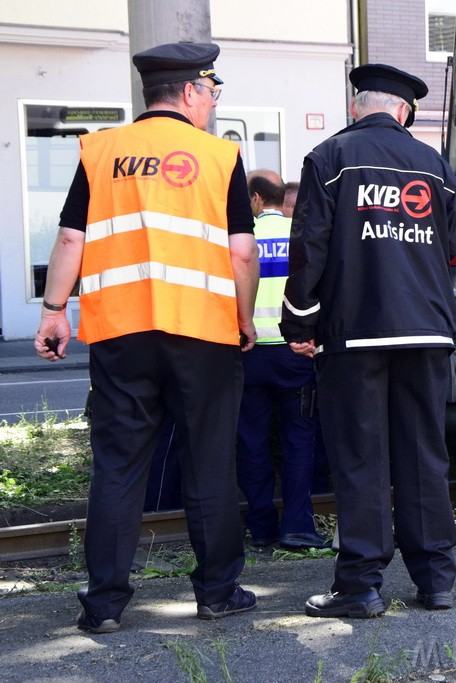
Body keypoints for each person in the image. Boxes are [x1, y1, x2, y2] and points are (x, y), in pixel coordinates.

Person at [34, 42, 259, 633]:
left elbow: (68, 242)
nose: (212, 105)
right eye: (212, 93)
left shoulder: (99, 150)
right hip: (204, 333)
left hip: (121, 334)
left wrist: (54, 311)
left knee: (118, 465)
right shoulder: (220, 158)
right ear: (190, 92)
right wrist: (245, 317)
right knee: (209, 461)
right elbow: (241, 254)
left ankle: (103, 604)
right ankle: (217, 592)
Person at [280, 63, 456, 618]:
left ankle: (361, 586)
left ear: (358, 105)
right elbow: (455, 240)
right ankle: (436, 580)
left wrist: (300, 324)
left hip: (356, 333)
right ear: (404, 111)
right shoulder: (433, 165)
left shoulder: (330, 158)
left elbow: (309, 246)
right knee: (423, 453)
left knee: (361, 457)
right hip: (429, 328)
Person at [236, 169, 328, 550]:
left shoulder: (243, 239)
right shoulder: (300, 239)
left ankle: (260, 529)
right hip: (296, 354)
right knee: (299, 440)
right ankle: (297, 526)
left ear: (256, 199)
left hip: (249, 353)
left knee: (252, 443)